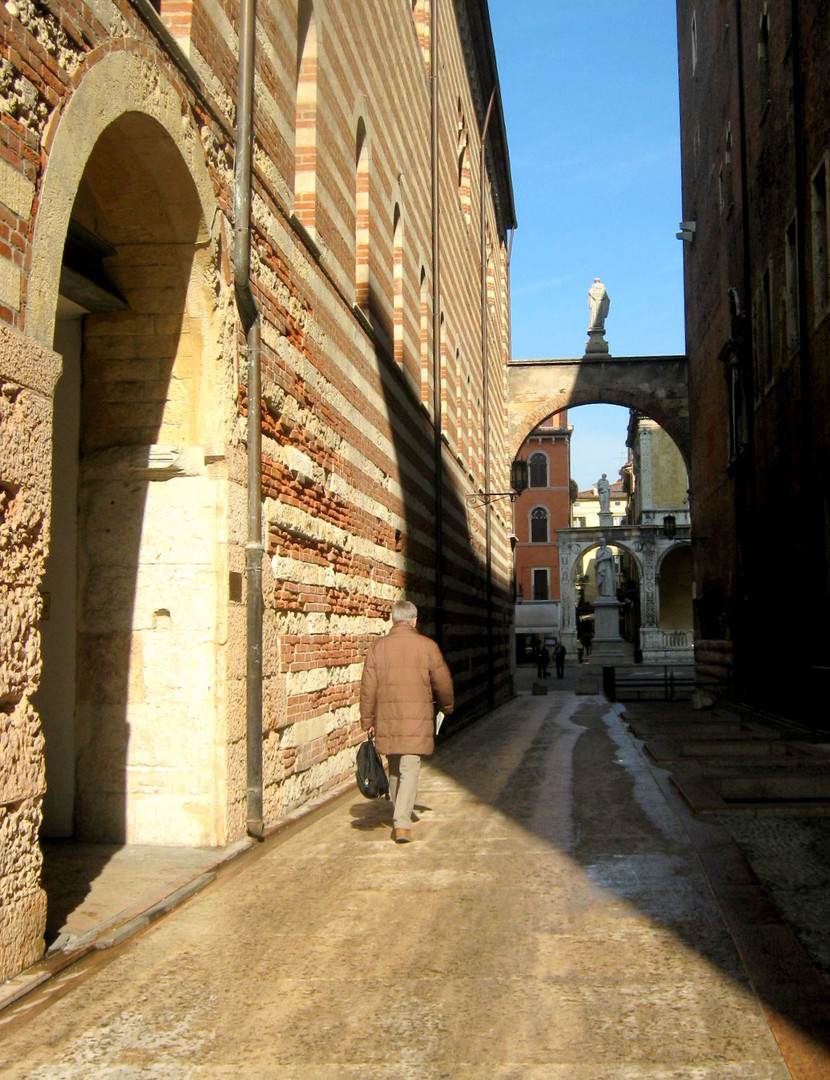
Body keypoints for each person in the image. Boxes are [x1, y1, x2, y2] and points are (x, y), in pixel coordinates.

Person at [360, 599, 454, 844]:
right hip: (417, 720)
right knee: (410, 768)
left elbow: (367, 687)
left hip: (388, 720)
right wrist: (446, 706)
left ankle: (399, 811)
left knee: (395, 766)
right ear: (414, 620)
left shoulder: (378, 648)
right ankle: (402, 823)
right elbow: (443, 682)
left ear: (392, 620)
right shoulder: (427, 646)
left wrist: (367, 719)